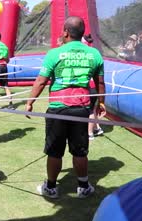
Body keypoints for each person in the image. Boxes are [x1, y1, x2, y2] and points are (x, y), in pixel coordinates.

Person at [25, 16, 105, 199]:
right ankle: (83, 187)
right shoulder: (94, 54)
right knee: (80, 150)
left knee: (55, 151)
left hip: (58, 109)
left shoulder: (54, 54)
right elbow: (100, 82)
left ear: (66, 32)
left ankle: (51, 188)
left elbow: (41, 81)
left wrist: (30, 102)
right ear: (82, 33)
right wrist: (101, 103)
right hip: (81, 108)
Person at [83, 34, 105, 140]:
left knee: (90, 110)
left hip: (90, 86)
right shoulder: (94, 52)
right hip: (94, 87)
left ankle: (89, 133)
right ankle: (97, 128)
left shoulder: (86, 53)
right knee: (93, 109)